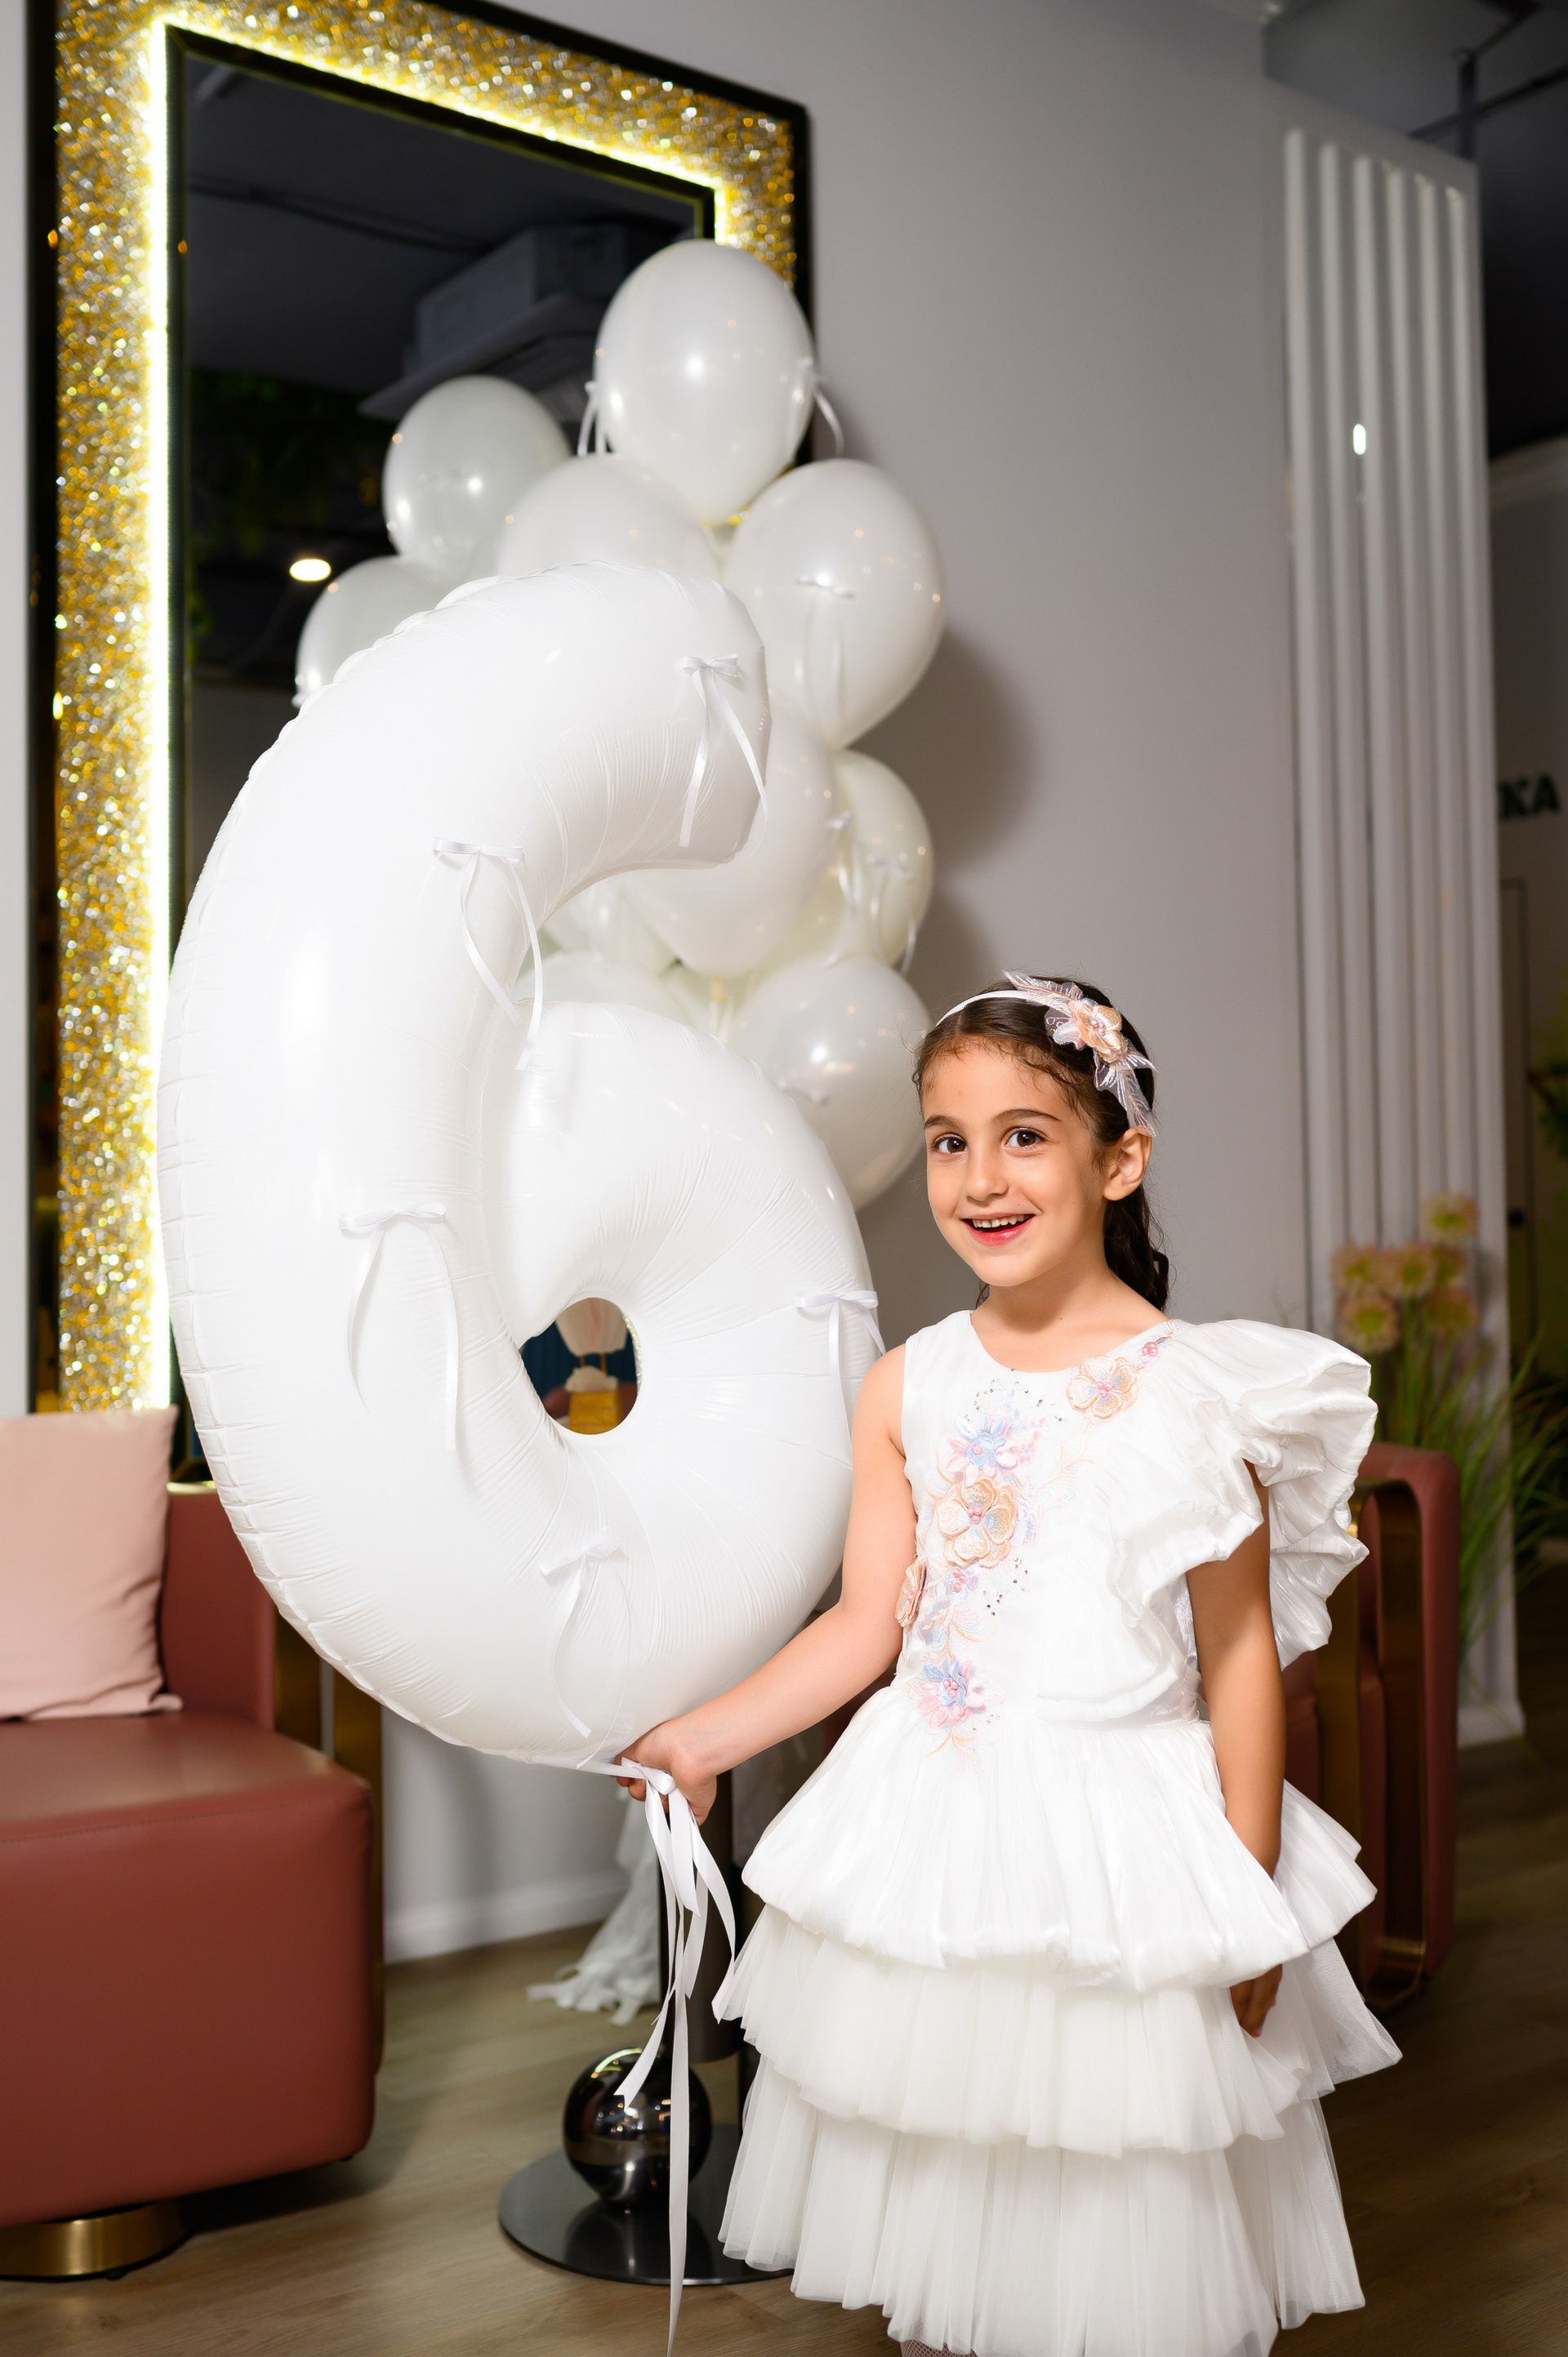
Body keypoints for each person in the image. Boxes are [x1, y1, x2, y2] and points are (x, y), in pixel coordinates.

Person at [622, 973, 1398, 2357]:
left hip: (1123, 1847)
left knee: (1118, 2200)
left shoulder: (1199, 1390)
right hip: (939, 1829)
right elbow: (864, 1628)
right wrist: (702, 1739)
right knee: (949, 2190)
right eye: (948, 1139)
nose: (980, 1176)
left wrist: (1248, 1891)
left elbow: (1238, 1656)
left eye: (1024, 1135)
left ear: (1120, 1158)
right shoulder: (908, 1383)